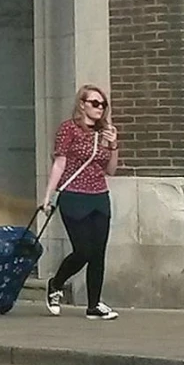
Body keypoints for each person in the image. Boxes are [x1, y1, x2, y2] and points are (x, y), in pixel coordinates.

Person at [40, 84, 121, 320]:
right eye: (95, 103)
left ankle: (94, 305)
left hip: (99, 196)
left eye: (103, 104)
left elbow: (111, 170)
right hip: (74, 195)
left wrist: (114, 145)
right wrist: (48, 196)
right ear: (82, 105)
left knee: (98, 253)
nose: (99, 108)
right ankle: (56, 283)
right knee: (83, 250)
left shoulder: (105, 131)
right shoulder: (68, 129)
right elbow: (60, 164)